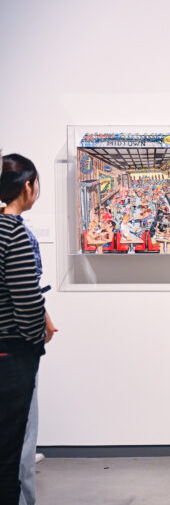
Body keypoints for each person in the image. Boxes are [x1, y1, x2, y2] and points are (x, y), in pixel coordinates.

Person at [0, 153, 56, 504]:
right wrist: (38, 337)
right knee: (13, 452)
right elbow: (26, 300)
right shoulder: (15, 234)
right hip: (12, 354)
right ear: (27, 186)